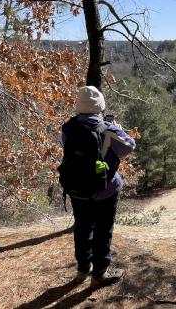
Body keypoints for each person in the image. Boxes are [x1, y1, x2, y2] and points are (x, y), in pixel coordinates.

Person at [61, 86, 136, 286]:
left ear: (79, 106)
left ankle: (82, 269)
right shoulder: (108, 129)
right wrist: (117, 128)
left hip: (76, 189)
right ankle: (99, 273)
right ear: (100, 106)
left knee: (82, 229)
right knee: (103, 231)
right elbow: (129, 147)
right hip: (104, 190)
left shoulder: (68, 128)